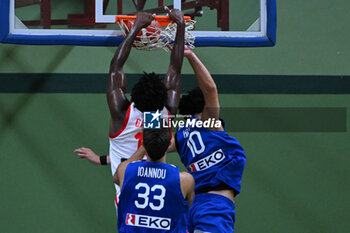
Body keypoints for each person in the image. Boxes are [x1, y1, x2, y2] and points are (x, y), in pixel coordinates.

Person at [75, 8, 186, 212]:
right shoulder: (164, 115)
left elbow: (115, 69)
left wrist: (135, 27)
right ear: (163, 97)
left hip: (127, 202)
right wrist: (180, 26)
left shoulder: (121, 114)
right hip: (159, 200)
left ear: (133, 95)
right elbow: (175, 71)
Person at [171, 47, 247, 232]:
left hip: (190, 207)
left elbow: (152, 146)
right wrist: (189, 55)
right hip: (215, 206)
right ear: (204, 106)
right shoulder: (210, 121)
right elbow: (211, 89)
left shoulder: (180, 135)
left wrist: (106, 159)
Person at [114, 127, 195, 232]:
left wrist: (145, 145)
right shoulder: (185, 180)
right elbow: (190, 210)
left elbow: (116, 177)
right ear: (170, 143)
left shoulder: (125, 171)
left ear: (143, 143)